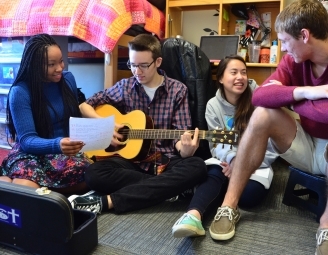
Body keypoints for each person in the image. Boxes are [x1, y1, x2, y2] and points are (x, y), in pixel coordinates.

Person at [209, 1, 328, 254]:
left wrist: (291, 101)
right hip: (306, 143)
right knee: (263, 113)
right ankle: (229, 206)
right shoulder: (293, 62)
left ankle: (326, 226)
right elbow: (260, 96)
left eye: (285, 41)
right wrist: (307, 92)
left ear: (304, 35)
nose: (283, 48)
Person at [68, 33, 207, 214]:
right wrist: (105, 125)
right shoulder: (125, 87)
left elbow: (180, 138)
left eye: (143, 65)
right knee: (93, 173)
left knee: (197, 166)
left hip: (166, 162)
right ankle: (168, 189)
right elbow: (84, 106)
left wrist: (186, 149)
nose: (137, 72)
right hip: (131, 164)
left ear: (158, 62)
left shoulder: (177, 90)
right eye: (133, 65)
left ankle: (109, 201)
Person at [171, 55, 278, 238]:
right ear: (220, 78)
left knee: (249, 196)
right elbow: (217, 143)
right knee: (213, 173)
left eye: (243, 72)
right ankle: (192, 216)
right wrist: (233, 159)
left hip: (256, 163)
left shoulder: (259, 99)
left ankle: (219, 195)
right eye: (234, 72)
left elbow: (272, 145)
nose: (240, 77)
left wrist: (243, 164)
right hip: (227, 160)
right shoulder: (213, 105)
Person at [0, 34, 92, 194]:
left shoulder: (68, 79)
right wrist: (57, 144)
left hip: (62, 153)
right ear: (35, 66)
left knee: (93, 177)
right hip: (32, 152)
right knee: (28, 190)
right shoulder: (20, 92)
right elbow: (27, 140)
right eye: (52, 64)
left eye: (61, 61)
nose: (59, 68)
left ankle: (13, 184)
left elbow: (79, 110)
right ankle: (17, 184)